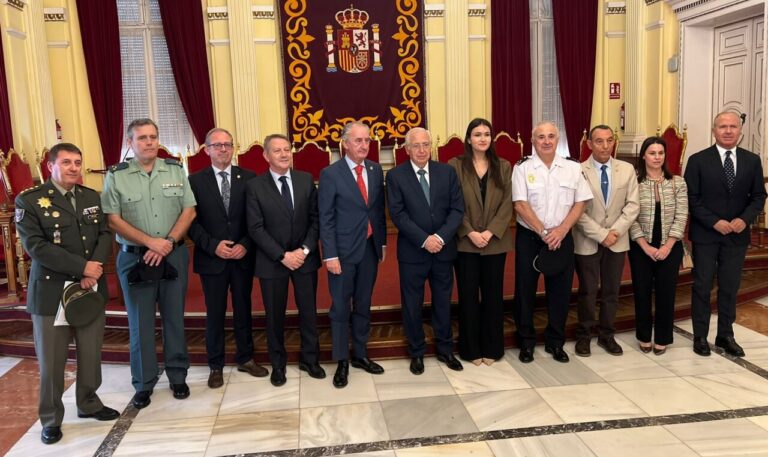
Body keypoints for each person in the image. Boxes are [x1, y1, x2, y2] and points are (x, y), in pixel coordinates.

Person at [15, 143, 119, 444]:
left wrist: (96, 267)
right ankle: (50, 418)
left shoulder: (91, 197)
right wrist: (83, 267)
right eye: (66, 162)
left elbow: (104, 233)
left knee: (90, 352)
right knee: (52, 361)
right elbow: (36, 247)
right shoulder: (30, 201)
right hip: (51, 292)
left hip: (89, 288)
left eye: (77, 162)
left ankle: (88, 403)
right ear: (51, 166)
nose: (73, 167)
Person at [101, 118, 196, 409]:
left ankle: (178, 375)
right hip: (134, 258)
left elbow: (189, 210)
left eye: (153, 136)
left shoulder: (176, 170)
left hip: (174, 253)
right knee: (139, 323)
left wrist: (166, 242)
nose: (149, 142)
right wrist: (149, 242)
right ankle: (143, 382)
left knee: (173, 319)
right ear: (130, 143)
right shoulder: (117, 175)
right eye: (142, 138)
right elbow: (112, 218)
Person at [188, 128, 267, 389]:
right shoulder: (195, 182)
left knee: (243, 309)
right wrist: (213, 246)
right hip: (213, 258)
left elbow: (256, 219)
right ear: (207, 149)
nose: (223, 149)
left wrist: (245, 244)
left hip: (242, 257)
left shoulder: (250, 179)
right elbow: (190, 223)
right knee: (215, 314)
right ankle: (215, 365)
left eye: (227, 145)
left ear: (233, 149)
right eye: (217, 145)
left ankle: (246, 358)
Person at [684, 111, 766, 357]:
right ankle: (700, 336)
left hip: (737, 236)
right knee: (702, 285)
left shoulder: (752, 160)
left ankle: (725, 335)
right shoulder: (698, 160)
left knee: (730, 286)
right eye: (723, 126)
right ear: (714, 130)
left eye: (733, 126)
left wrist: (744, 219)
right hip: (706, 235)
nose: (728, 131)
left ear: (740, 131)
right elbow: (691, 198)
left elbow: (759, 196)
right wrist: (715, 222)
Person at [246, 134, 325, 386]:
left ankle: (310, 359)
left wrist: (303, 251)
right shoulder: (255, 186)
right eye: (277, 150)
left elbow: (316, 220)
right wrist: (282, 255)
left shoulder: (305, 180)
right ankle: (278, 364)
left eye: (287, 149)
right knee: (274, 316)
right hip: (272, 262)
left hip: (305, 260)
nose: (283, 154)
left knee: (309, 312)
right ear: (266, 156)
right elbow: (255, 228)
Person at [512, 121, 592, 363]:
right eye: (540, 137)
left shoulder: (572, 168)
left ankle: (555, 342)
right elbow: (520, 204)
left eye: (551, 136)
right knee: (524, 292)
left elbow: (581, 202)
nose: (546, 141)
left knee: (560, 292)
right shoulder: (522, 168)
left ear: (558, 140)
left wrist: (562, 229)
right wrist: (544, 231)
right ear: (532, 140)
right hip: (530, 238)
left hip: (562, 237)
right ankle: (526, 342)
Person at [387, 127, 465, 375]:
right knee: (412, 304)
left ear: (431, 147)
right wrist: (424, 239)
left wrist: (440, 237)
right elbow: (398, 215)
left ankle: (444, 349)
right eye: (416, 145)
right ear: (407, 149)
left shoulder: (447, 172)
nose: (421, 150)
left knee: (443, 301)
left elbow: (457, 210)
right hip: (413, 251)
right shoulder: (396, 176)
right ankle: (417, 352)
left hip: (443, 249)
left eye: (425, 145)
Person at [318, 121, 387, 388]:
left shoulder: (375, 169)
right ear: (345, 143)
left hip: (369, 250)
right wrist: (330, 255)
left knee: (364, 304)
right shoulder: (330, 174)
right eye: (358, 140)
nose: (364, 145)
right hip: (343, 253)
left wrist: (381, 244)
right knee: (340, 308)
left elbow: (377, 212)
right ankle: (341, 360)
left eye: (367, 140)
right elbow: (326, 218)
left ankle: (360, 354)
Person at [448, 118, 513, 366]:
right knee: (467, 297)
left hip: (495, 242)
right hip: (466, 243)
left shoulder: (504, 166)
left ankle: (493, 348)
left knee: (493, 296)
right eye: (477, 134)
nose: (483, 138)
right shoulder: (455, 166)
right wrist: (470, 232)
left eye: (487, 134)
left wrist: (490, 232)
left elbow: (508, 203)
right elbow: (452, 203)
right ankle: (470, 349)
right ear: (468, 139)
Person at [573, 125, 639, 357]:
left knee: (611, 291)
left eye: (609, 140)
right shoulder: (577, 171)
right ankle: (584, 336)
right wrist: (601, 235)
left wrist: (615, 232)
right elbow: (576, 211)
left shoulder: (627, 169)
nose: (605, 146)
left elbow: (633, 206)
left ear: (614, 142)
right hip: (587, 240)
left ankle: (606, 335)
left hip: (618, 240)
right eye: (599, 141)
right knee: (588, 291)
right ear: (589, 144)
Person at [628, 137, 688, 355]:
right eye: (652, 153)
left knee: (666, 293)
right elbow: (629, 216)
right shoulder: (633, 182)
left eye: (660, 153)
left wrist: (668, 245)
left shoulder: (677, 182)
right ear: (643, 155)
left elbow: (682, 215)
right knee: (641, 292)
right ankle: (644, 335)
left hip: (669, 246)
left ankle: (662, 337)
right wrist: (644, 246)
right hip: (640, 246)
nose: (656, 157)